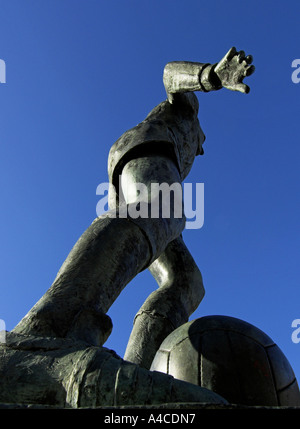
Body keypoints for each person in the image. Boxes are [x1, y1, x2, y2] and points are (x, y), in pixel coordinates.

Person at [12, 47, 255, 371]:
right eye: (201, 141)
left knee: (186, 280)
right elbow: (169, 75)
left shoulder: (185, 148)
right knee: (166, 208)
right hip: (145, 151)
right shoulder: (185, 113)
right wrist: (210, 76)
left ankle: (136, 369)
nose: (201, 147)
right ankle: (52, 327)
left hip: (134, 179)